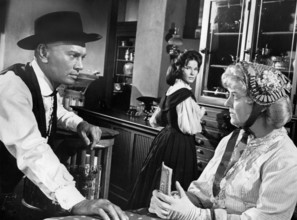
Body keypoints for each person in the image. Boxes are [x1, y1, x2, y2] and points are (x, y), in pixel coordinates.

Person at [0, 11, 128, 220]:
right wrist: (77, 200)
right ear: (43, 52)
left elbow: (56, 110)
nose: (80, 65)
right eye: (73, 55)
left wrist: (80, 124)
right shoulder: (13, 87)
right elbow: (32, 149)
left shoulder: (43, 85)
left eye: (82, 57)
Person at [148, 61, 297, 220]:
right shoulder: (232, 139)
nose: (227, 103)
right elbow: (203, 194)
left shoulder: (284, 157)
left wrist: (196, 215)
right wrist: (174, 202)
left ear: (261, 106)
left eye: (235, 95)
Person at [127, 50, 205, 209]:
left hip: (165, 139)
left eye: (195, 69)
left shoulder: (172, 89)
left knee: (157, 182)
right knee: (173, 186)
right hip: (179, 143)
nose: (192, 72)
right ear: (180, 68)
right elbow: (190, 128)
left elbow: (155, 120)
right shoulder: (184, 93)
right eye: (188, 68)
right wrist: (200, 113)